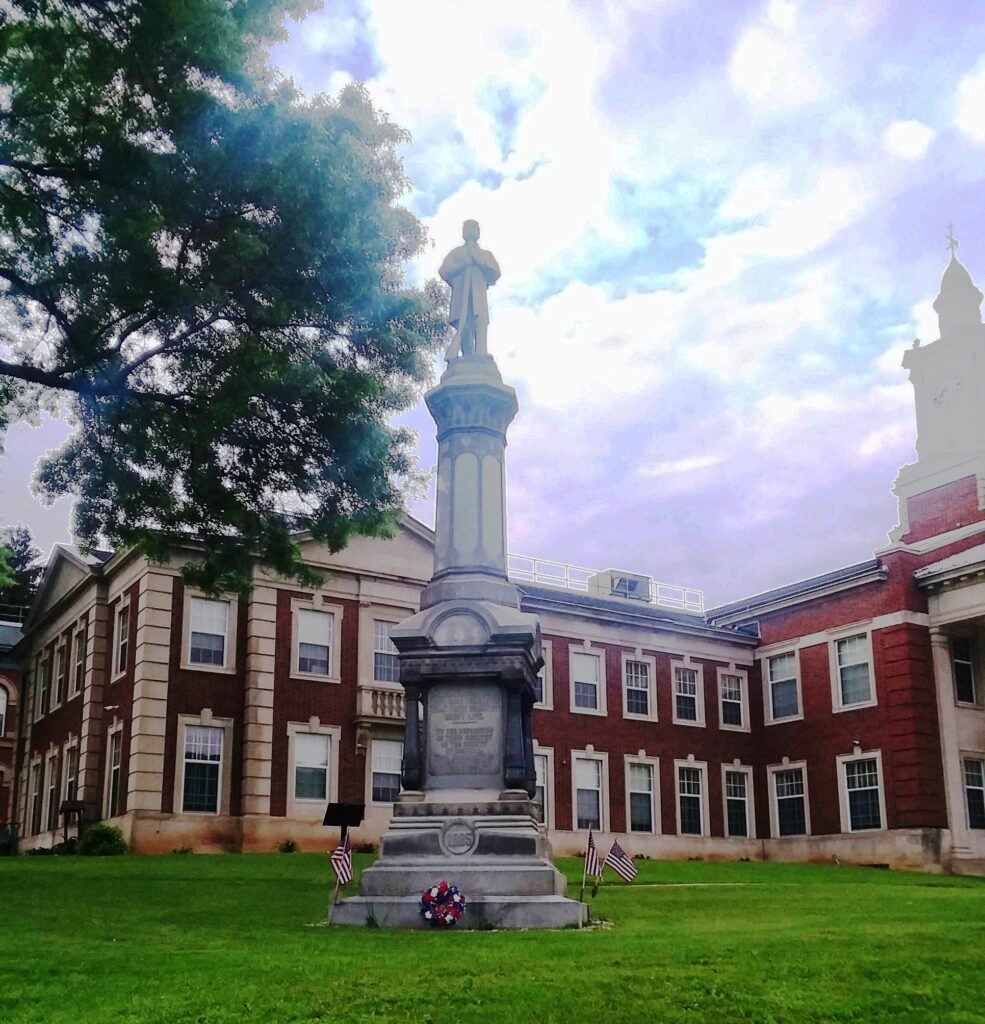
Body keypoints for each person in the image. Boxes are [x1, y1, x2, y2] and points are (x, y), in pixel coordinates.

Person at [438, 220, 501, 359]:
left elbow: (495, 272)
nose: (470, 231)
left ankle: (481, 355)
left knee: (480, 323)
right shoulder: (456, 253)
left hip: (478, 296)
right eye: (467, 228)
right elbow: (444, 271)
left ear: (479, 233)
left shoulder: (485, 254)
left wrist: (478, 261)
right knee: (464, 327)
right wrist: (462, 264)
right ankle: (468, 357)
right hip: (461, 297)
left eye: (474, 228)